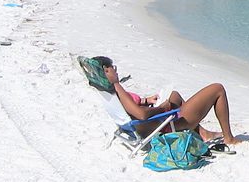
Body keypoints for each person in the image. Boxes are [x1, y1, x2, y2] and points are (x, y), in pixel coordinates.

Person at [99, 58, 241, 145]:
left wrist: (145, 100)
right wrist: (161, 107)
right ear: (106, 71)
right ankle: (229, 138)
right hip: (163, 126)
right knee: (217, 89)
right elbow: (141, 115)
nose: (116, 70)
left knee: (175, 95)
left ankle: (202, 133)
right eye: (113, 68)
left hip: (149, 125)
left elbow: (131, 107)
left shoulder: (108, 91)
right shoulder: (117, 88)